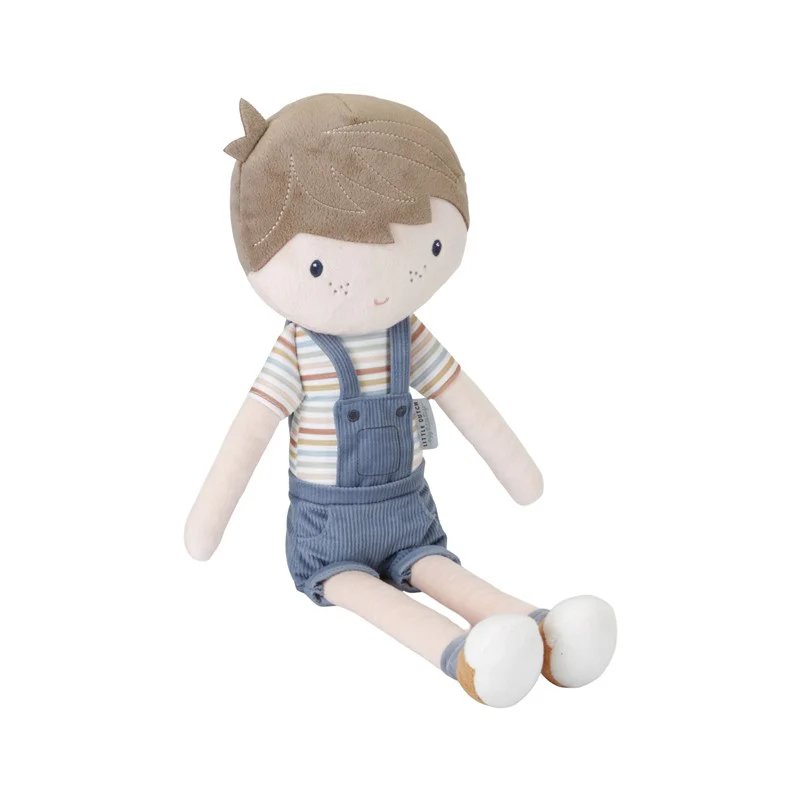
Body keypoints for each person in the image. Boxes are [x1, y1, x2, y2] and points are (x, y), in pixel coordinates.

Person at [186, 93, 616, 707]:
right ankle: (464, 659)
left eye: (428, 250)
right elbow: (248, 433)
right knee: (370, 594)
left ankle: (543, 630)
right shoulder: (298, 351)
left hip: (409, 514)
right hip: (328, 535)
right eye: (320, 266)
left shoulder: (407, 336)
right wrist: (207, 524)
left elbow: (462, 397)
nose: (381, 288)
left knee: (437, 567)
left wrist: (518, 473)